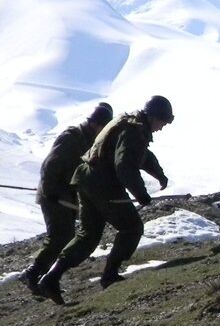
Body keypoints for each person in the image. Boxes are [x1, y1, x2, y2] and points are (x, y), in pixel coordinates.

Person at [36, 96, 174, 305]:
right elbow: (125, 165)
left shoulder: (130, 125)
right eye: (163, 122)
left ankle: (50, 278)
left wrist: (159, 174)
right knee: (132, 227)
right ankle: (109, 275)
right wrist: (141, 194)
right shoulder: (134, 131)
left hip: (86, 178)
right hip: (103, 184)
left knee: (87, 236)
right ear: (154, 117)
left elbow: (142, 155)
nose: (162, 128)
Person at [17, 102, 114, 299]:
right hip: (53, 195)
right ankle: (33, 274)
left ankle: (40, 278)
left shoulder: (90, 141)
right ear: (97, 124)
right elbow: (49, 166)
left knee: (65, 237)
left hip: (68, 198)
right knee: (61, 237)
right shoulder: (72, 139)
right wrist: (51, 191)